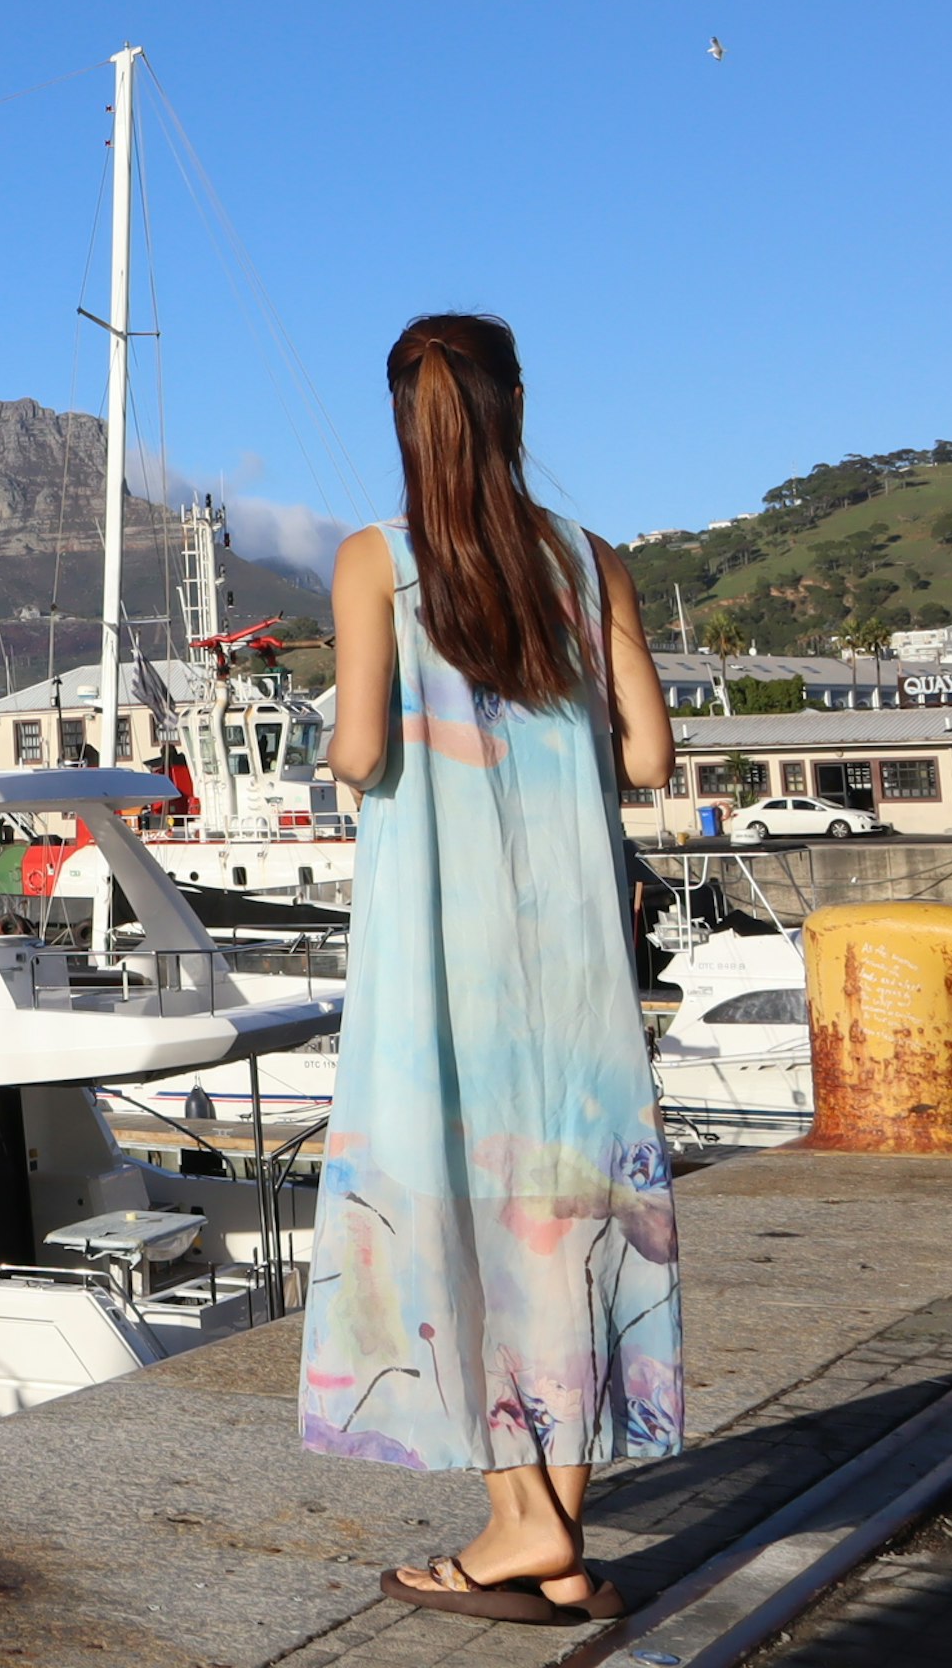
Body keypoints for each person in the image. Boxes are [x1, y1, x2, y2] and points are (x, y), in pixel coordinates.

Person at [299, 313, 683, 1627]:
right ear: (517, 404)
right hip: (576, 959)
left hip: (440, 968)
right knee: (564, 1219)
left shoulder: (375, 564)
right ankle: (548, 1531)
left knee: (458, 1216)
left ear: (407, 422)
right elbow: (647, 763)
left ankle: (525, 1529)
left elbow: (356, 752)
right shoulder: (594, 565)